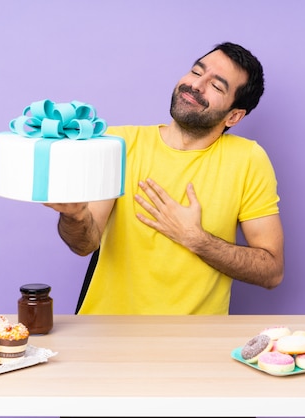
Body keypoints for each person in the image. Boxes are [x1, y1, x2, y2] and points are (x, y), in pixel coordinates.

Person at [45, 42, 284, 315]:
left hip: (192, 343)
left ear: (234, 115)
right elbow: (84, 244)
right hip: (105, 334)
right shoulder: (117, 143)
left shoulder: (248, 160)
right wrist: (73, 215)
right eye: (196, 72)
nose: (197, 85)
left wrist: (196, 239)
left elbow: (271, 271)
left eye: (216, 86)